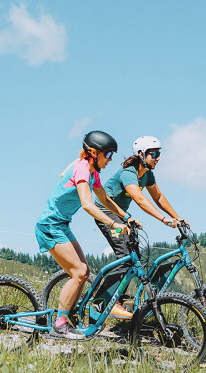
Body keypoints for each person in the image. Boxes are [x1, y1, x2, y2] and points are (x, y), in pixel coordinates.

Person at [35, 130, 135, 339]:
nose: (109, 160)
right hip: (50, 226)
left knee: (85, 271)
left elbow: (105, 200)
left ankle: (69, 315)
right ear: (93, 152)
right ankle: (60, 324)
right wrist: (112, 223)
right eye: (107, 155)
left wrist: (126, 217)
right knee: (78, 273)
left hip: (61, 225)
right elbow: (88, 204)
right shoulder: (82, 169)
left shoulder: (93, 173)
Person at [93, 135, 188, 318]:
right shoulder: (129, 172)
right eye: (154, 154)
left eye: (159, 154)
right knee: (125, 257)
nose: (158, 158)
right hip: (106, 212)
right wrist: (163, 219)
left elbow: (158, 197)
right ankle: (105, 303)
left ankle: (121, 297)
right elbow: (140, 200)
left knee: (134, 256)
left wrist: (177, 218)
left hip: (121, 215)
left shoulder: (148, 174)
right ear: (142, 154)